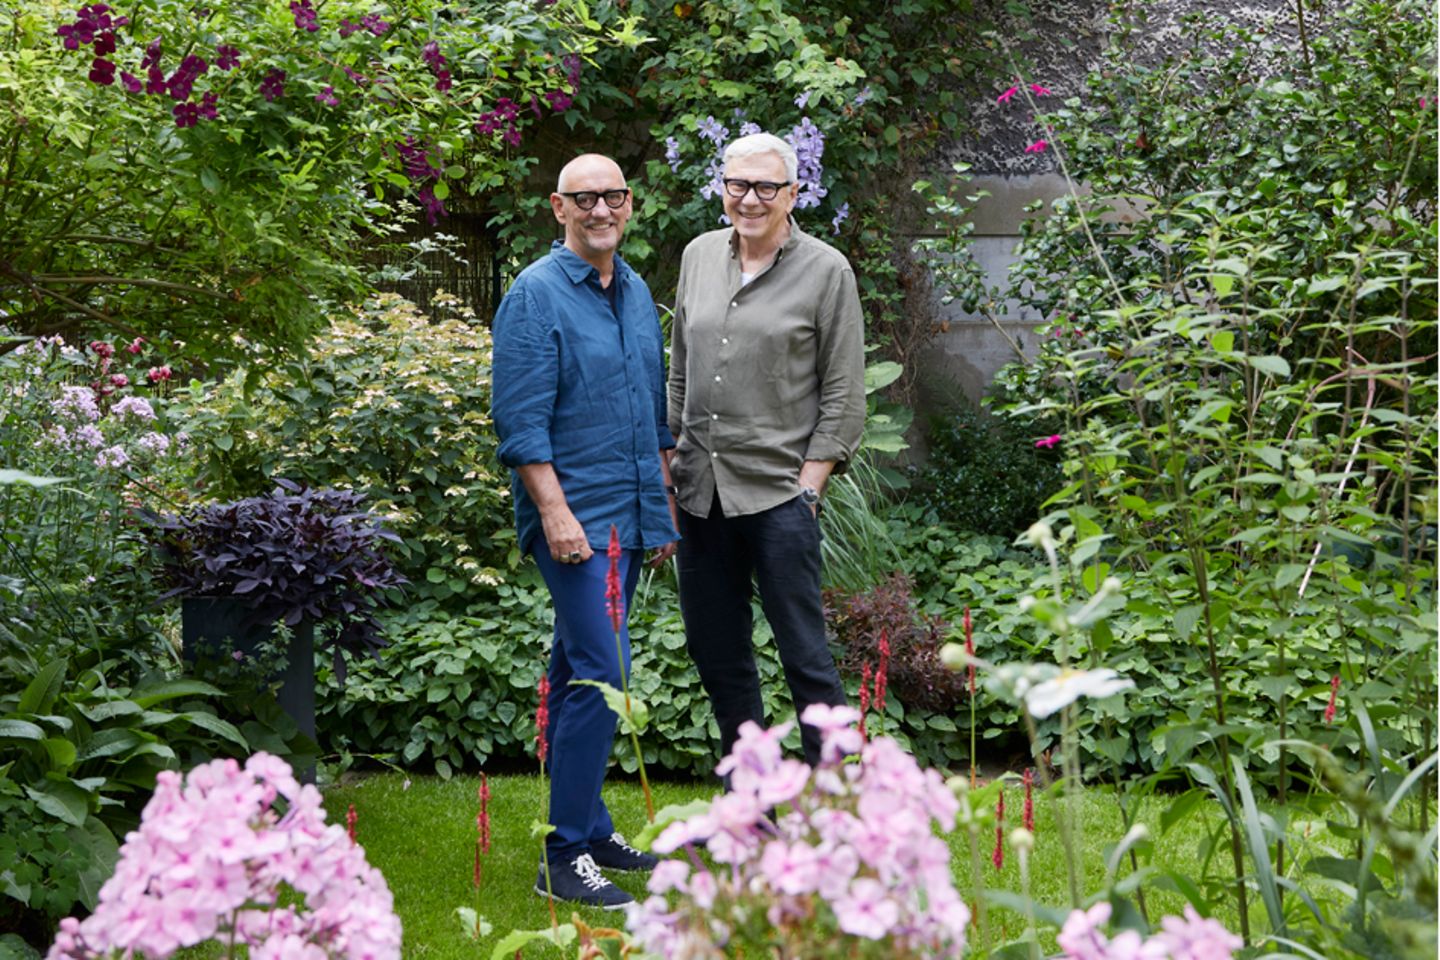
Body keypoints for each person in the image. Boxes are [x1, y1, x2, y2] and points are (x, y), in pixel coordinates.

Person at [491, 153, 676, 910]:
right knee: (606, 677)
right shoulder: (534, 296)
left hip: (629, 512)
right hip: (575, 516)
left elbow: (649, 408)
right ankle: (562, 856)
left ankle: (592, 830)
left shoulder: (632, 290)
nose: (601, 209)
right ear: (557, 208)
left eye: (613, 197)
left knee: (578, 671)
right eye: (584, 198)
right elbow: (519, 418)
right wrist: (554, 512)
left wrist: (658, 509)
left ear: (630, 206)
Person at [667, 132, 865, 771]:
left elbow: (843, 391)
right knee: (720, 658)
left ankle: (836, 813)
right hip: (702, 493)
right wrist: (670, 471)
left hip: (781, 494)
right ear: (722, 188)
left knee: (805, 658)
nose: (749, 199)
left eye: (765, 187)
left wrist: (810, 487)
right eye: (737, 185)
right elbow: (680, 371)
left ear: (793, 193)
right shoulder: (698, 256)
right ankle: (751, 808)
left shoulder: (826, 270)